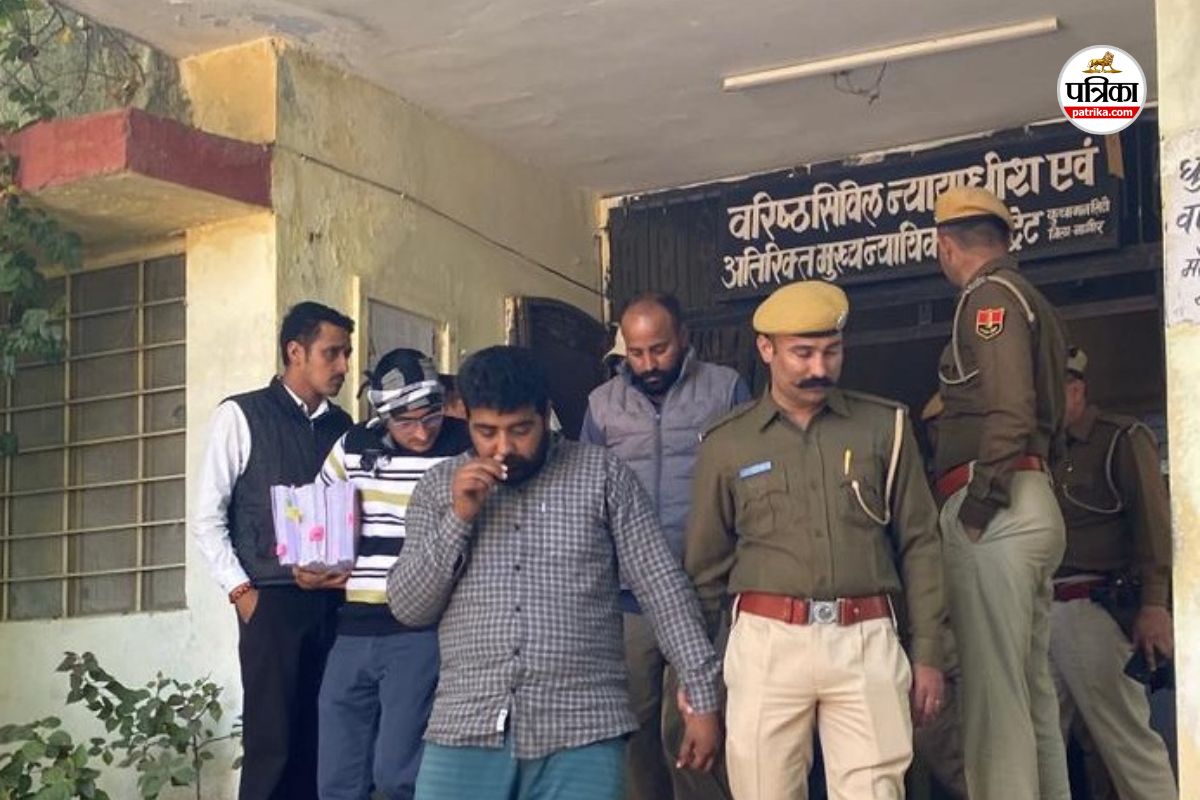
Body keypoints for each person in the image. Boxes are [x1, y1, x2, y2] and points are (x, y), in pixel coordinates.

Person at [387, 345, 722, 800]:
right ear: (464, 416)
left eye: (520, 429)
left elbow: (661, 585)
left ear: (545, 415)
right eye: (486, 431)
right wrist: (459, 518)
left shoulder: (603, 475)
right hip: (465, 726)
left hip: (582, 730)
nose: (503, 448)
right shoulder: (437, 488)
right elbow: (410, 607)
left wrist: (701, 693)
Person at [686, 281, 946, 800]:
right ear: (766, 349)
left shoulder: (885, 427)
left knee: (876, 792)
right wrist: (694, 680)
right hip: (766, 642)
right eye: (802, 353)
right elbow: (705, 569)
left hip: (865, 636)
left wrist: (929, 653)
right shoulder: (726, 442)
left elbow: (921, 544)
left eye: (832, 351)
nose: (819, 368)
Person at [580, 292, 749, 800]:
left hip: (705, 591)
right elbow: (586, 494)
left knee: (700, 726)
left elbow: (750, 482)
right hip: (629, 599)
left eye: (659, 349)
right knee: (632, 727)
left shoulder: (725, 389)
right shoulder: (602, 405)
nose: (648, 363)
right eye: (636, 352)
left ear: (684, 338)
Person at [931, 185, 1070, 800]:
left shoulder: (989, 298)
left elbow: (1011, 411)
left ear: (945, 245)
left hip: (998, 508)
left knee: (994, 704)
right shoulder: (1030, 298)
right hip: (1030, 498)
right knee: (1031, 695)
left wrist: (978, 506)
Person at [194, 301, 355, 800]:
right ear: (295, 352)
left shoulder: (344, 427)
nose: (343, 365)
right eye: (332, 353)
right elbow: (207, 518)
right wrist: (243, 593)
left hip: (335, 604)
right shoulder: (241, 415)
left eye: (346, 354)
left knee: (325, 742)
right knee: (273, 745)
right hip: (271, 602)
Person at [316, 349, 472, 800]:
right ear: (382, 417)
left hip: (422, 630)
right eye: (406, 422)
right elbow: (317, 516)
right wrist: (310, 563)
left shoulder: (464, 447)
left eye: (431, 416)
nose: (422, 432)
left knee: (398, 773)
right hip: (352, 628)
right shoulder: (351, 446)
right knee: (337, 778)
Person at [1050, 346, 1177, 800]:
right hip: (1041, 609)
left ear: (1076, 389)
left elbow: (1153, 526)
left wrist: (1154, 604)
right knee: (1036, 750)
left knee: (1129, 749)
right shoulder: (1039, 449)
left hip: (1095, 607)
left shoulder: (1120, 438)